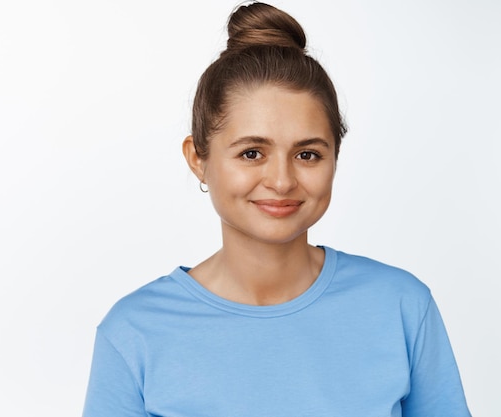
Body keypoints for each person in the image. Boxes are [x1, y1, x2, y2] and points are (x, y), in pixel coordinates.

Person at [82, 2, 471, 416]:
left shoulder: (402, 307)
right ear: (198, 158)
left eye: (307, 155)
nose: (282, 181)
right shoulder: (134, 333)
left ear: (334, 159)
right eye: (252, 153)